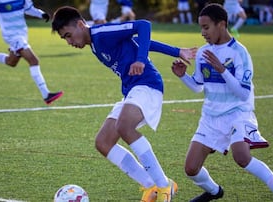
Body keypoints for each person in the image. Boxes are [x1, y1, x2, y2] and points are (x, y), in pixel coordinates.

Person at [51, 6, 197, 202]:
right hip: (131, 91)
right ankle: (151, 185)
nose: (69, 42)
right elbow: (138, 42)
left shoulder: (101, 33)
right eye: (65, 39)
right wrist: (177, 51)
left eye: (69, 35)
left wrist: (141, 60)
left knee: (124, 127)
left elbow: (143, 26)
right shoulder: (95, 44)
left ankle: (164, 186)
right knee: (103, 143)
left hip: (147, 85)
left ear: (80, 24)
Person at [171, 3, 273, 202]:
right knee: (191, 168)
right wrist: (183, 76)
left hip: (238, 113)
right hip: (211, 116)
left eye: (206, 27)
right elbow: (198, 86)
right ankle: (214, 191)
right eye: (201, 28)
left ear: (222, 25)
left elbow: (243, 94)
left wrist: (222, 69)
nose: (202, 33)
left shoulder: (239, 53)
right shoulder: (203, 53)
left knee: (242, 157)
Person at [0, 0, 63, 105]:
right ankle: (46, 94)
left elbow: (28, 9)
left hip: (22, 35)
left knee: (11, 62)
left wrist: (41, 14)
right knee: (33, 61)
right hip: (11, 36)